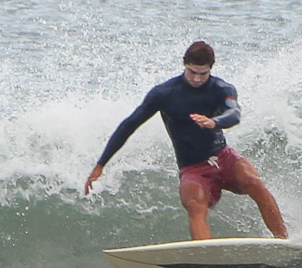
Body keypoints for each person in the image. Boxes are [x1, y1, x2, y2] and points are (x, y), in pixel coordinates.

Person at [83, 41, 288, 240]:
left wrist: (214, 122)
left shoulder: (222, 89)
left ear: (211, 69)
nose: (197, 79)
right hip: (193, 168)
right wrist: (101, 164)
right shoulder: (164, 94)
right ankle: (206, 259)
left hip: (223, 157)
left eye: (203, 74)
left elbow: (234, 113)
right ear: (184, 65)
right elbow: (129, 125)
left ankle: (283, 241)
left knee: (253, 181)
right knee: (194, 203)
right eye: (192, 72)